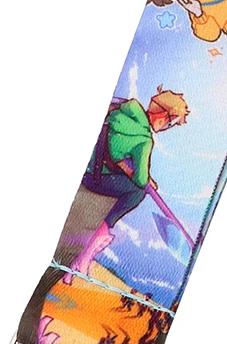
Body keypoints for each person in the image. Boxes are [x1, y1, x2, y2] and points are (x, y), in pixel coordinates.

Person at [71, 89, 190, 275]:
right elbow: (141, 180)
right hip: (95, 178)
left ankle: (79, 262)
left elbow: (118, 153)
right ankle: (87, 253)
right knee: (137, 192)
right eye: (172, 122)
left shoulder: (123, 110)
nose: (168, 126)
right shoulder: (144, 140)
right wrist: (144, 178)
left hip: (88, 168)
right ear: (163, 115)